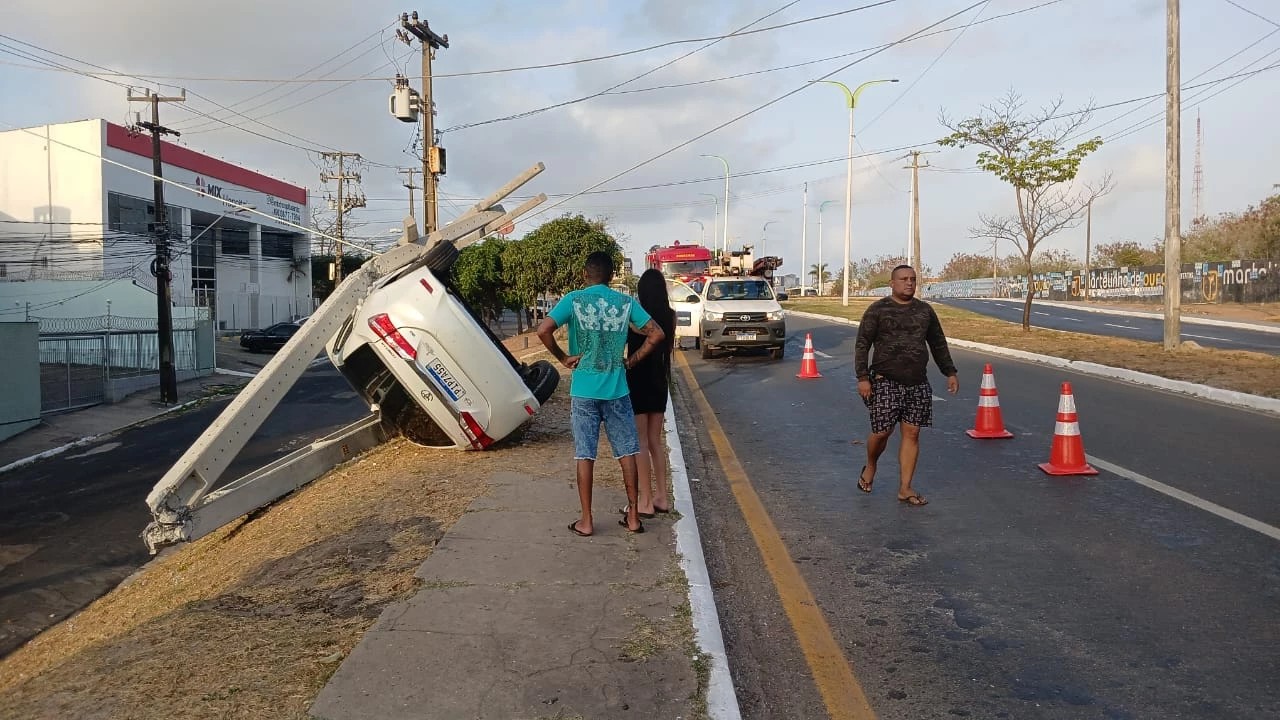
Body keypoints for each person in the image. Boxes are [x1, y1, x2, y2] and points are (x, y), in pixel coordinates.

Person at [538, 251, 666, 536]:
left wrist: (562, 357)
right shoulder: (625, 302)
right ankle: (633, 517)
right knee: (627, 452)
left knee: (585, 455)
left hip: (584, 389)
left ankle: (586, 520)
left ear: (586, 275)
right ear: (611, 276)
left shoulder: (573, 299)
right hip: (618, 389)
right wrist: (631, 361)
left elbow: (544, 329)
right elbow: (656, 334)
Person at [853, 265, 959, 507]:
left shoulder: (925, 311)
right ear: (892, 283)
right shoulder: (877, 310)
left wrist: (949, 371)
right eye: (903, 279)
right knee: (882, 432)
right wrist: (862, 378)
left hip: (917, 383)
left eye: (912, 279)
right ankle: (871, 465)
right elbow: (862, 345)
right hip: (884, 381)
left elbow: (938, 343)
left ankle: (905, 487)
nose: (909, 283)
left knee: (912, 433)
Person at [623, 269, 677, 519]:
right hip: (659, 381)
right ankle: (662, 497)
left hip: (638, 380)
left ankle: (644, 501)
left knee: (641, 443)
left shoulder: (635, 318)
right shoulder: (671, 316)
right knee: (656, 441)